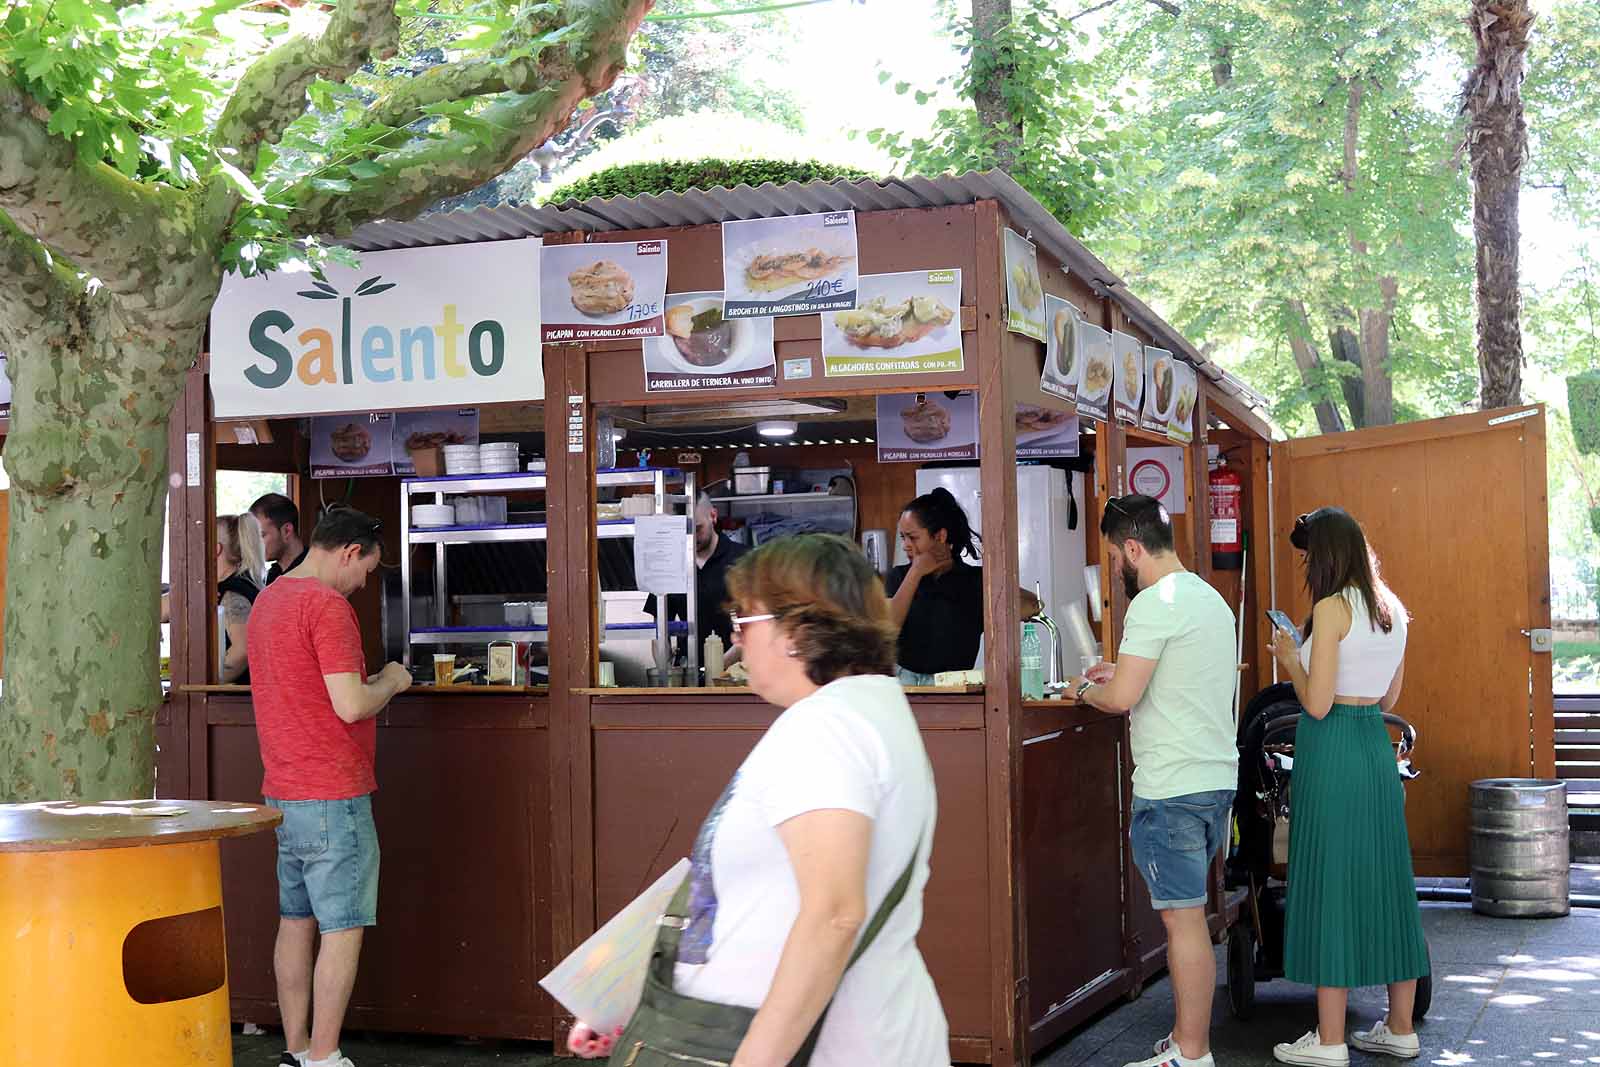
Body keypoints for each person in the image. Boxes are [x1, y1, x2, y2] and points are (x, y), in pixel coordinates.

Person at [569, 534, 950, 1065]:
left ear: (796, 632)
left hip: (828, 1047)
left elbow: (834, 915)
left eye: (744, 622)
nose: (737, 639)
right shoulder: (864, 712)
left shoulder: (825, 728)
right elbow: (751, 889)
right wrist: (623, 994)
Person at [1064, 494, 1238, 1067]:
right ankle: (1189, 1041)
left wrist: (1082, 690)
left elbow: (1119, 699)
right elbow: (1179, 677)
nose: (1116, 566)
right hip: (1215, 779)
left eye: (1116, 555)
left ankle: (1192, 1052)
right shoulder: (1208, 599)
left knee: (1182, 921)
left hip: (1172, 787)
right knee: (1190, 917)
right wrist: (1124, 671)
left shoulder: (1153, 604)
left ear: (1133, 548)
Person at [246, 506, 413, 1067]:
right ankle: (325, 1055)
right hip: (332, 792)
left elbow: (309, 692)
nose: (363, 582)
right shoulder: (327, 604)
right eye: (366, 569)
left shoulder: (269, 600)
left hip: (283, 789)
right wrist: (391, 679)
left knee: (295, 921)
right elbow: (350, 704)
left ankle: (295, 1050)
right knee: (342, 927)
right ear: (348, 553)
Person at [1267, 508, 1425, 1067]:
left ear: (1328, 556)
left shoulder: (1331, 609)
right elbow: (1388, 699)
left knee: (1330, 881)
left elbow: (1316, 702)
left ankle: (1330, 1040)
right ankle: (1401, 1028)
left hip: (1330, 749)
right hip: (1373, 751)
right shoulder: (1393, 610)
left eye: (1310, 558)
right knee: (1387, 883)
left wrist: (1290, 658)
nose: (1308, 568)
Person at [886, 487, 1039, 685]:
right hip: (902, 681)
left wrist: (998, 576)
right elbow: (887, 629)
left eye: (913, 537)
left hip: (955, 685)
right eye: (902, 537)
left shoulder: (975, 580)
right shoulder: (899, 576)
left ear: (940, 536)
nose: (906, 545)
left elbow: (1032, 606)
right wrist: (915, 572)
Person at [643, 491, 749, 664]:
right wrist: (667, 674)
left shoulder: (744, 560)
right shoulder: (669, 564)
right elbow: (659, 631)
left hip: (736, 675)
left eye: (697, 529)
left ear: (713, 516)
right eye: (683, 531)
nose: (690, 538)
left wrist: (716, 670)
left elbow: (753, 629)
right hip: (688, 673)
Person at [216, 512, 268, 684]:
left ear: (216, 549)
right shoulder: (248, 584)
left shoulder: (232, 592)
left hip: (235, 704)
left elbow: (242, 650)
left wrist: (210, 683)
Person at [252, 491, 309, 586]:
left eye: (262, 535)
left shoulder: (315, 574)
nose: (255, 544)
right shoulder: (271, 577)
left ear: (287, 531)